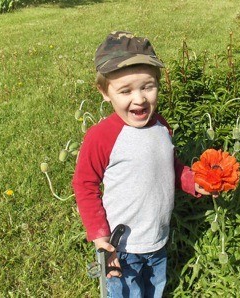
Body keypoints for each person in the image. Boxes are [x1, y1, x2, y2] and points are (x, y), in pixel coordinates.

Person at [72, 31, 210, 297]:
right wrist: (100, 236)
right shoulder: (101, 137)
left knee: (154, 289)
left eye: (148, 86)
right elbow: (84, 184)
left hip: (157, 239)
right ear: (104, 92)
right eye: (125, 91)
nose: (139, 99)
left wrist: (194, 181)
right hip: (120, 248)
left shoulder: (161, 127)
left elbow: (171, 168)